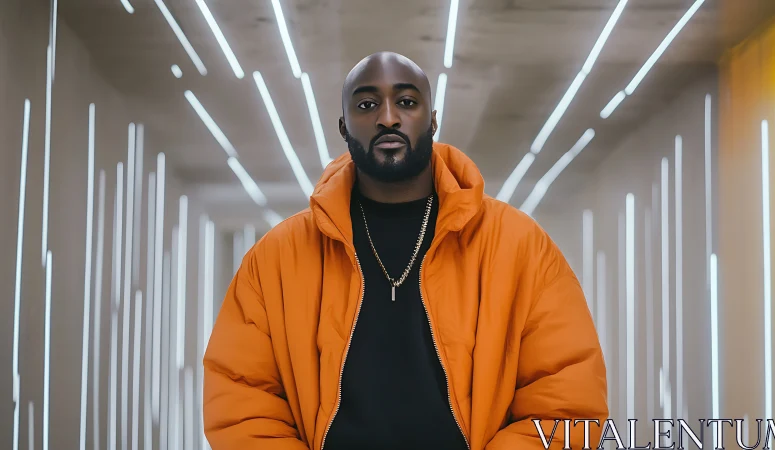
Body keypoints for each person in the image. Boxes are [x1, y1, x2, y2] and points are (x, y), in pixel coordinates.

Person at [203, 52, 608, 450]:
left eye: (407, 102)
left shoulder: (518, 245)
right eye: (367, 104)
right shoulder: (277, 258)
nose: (388, 117)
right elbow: (242, 402)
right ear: (343, 127)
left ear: (432, 120)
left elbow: (567, 403)